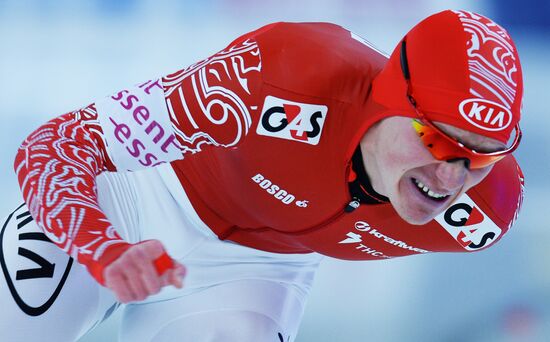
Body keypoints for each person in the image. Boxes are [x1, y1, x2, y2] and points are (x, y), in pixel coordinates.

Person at [0, 9, 524, 342]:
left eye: (479, 158)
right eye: (436, 140)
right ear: (389, 103)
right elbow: (59, 144)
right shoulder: (284, 76)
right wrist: (101, 245)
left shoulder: (481, 215)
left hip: (250, 276)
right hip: (131, 201)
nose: (450, 178)